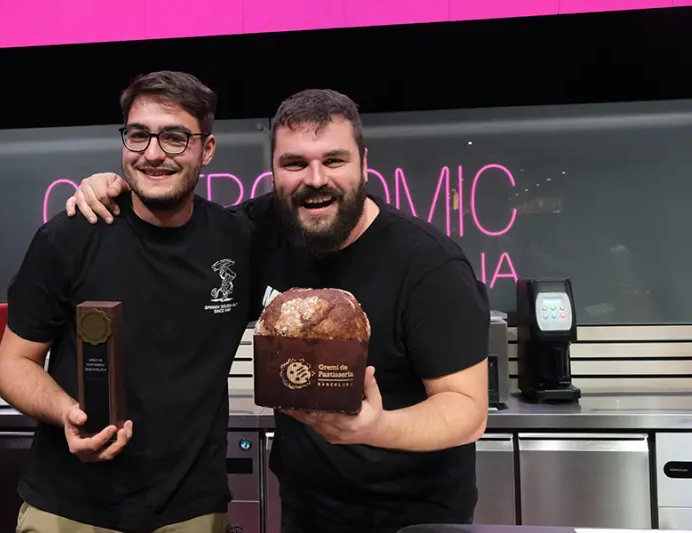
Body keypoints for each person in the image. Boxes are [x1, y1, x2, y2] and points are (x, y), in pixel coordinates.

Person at [64, 89, 490, 533]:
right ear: (273, 170)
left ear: (364, 161)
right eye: (294, 164)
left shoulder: (428, 264)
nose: (316, 178)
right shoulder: (261, 231)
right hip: (305, 510)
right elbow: (174, 232)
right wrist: (114, 188)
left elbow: (466, 410)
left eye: (334, 160)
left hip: (412, 517)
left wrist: (375, 428)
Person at [0, 71, 254, 533]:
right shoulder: (69, 236)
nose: (153, 153)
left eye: (174, 138)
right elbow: (13, 364)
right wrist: (66, 413)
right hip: (69, 509)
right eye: (138, 135)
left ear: (207, 150)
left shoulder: (240, 241)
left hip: (191, 511)